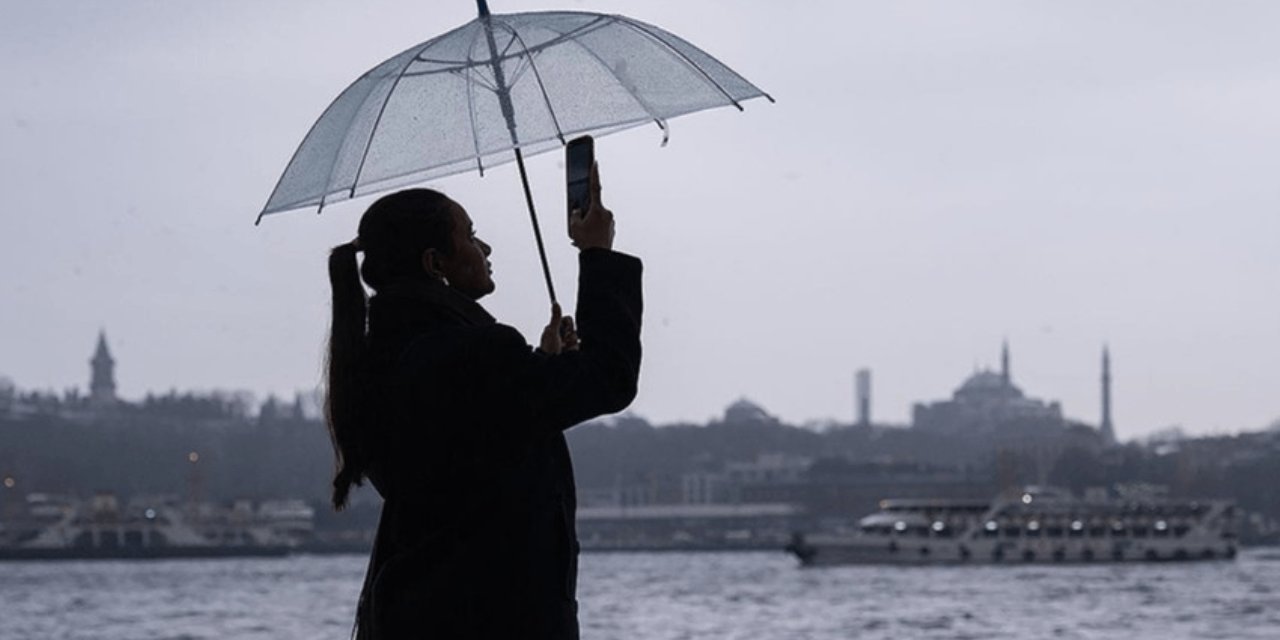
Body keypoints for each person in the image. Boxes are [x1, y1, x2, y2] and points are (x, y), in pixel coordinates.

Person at [324, 162, 642, 639]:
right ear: (436, 264)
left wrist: (541, 365)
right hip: (489, 615)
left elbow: (476, 450)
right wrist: (597, 254)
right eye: (471, 236)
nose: (485, 248)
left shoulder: (383, 359)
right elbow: (608, 377)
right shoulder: (474, 353)